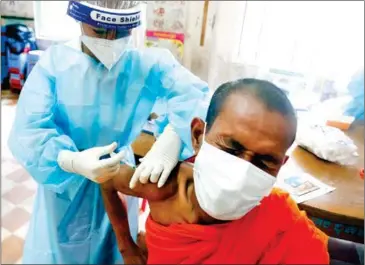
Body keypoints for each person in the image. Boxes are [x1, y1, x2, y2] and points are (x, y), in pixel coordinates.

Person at [7, 0, 210, 263]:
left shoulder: (147, 64)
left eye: (121, 32)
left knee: (116, 247)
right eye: (101, 31)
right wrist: (71, 160)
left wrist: (173, 137)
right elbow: (29, 131)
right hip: (66, 183)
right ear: (79, 20)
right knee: (62, 252)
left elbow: (199, 98)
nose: (111, 39)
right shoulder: (54, 66)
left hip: (120, 176)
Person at [100, 78, 335, 264]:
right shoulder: (165, 188)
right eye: (232, 148)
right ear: (198, 136)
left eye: (265, 161)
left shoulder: (279, 219)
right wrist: (126, 247)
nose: (241, 173)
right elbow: (107, 180)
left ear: (280, 165)